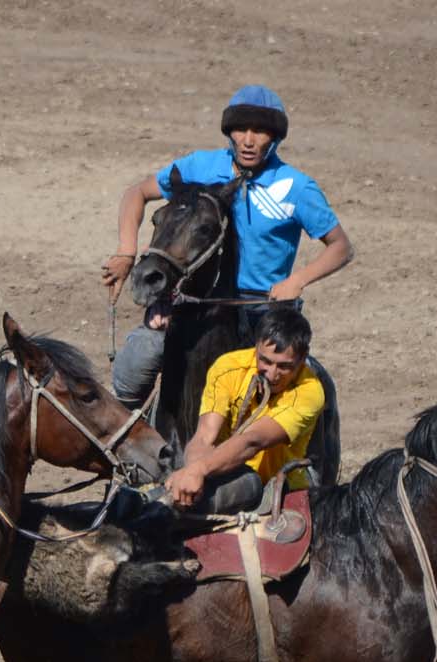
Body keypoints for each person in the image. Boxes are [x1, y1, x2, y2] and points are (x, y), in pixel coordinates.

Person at [100, 84, 353, 409]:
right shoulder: (199, 168)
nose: (248, 140)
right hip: (196, 302)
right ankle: (132, 448)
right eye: (240, 129)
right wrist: (125, 251)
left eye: (260, 131)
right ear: (228, 132)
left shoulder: (296, 187)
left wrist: (297, 281)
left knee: (292, 399)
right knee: (137, 362)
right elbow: (137, 193)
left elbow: (340, 247)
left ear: (274, 137)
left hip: (262, 309)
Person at [163, 307, 323, 513]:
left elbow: (253, 440)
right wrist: (191, 477)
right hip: (222, 474)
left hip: (279, 488)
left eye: (284, 366)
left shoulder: (309, 391)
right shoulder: (227, 367)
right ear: (255, 346)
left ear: (303, 358)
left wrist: (198, 470)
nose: (272, 374)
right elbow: (203, 437)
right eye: (265, 361)